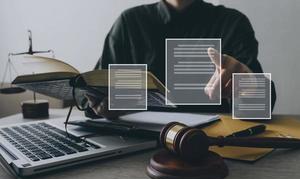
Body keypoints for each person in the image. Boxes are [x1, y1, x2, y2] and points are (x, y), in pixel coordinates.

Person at [85, 0, 276, 119]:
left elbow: (258, 108)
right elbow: (93, 94)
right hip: (134, 145)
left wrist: (248, 84)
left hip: (213, 147)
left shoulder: (232, 23)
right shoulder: (130, 22)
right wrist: (100, 104)